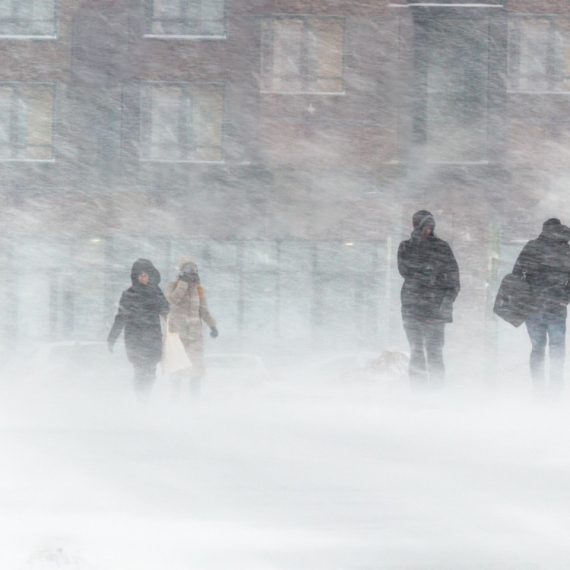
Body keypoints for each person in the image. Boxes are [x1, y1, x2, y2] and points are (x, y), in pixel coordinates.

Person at [397, 210, 460, 388]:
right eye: (425, 226)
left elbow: (454, 280)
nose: (429, 229)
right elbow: (405, 271)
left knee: (435, 353)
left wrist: (446, 302)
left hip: (435, 310)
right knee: (417, 352)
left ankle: (437, 393)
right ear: (417, 226)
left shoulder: (442, 247)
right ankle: (419, 393)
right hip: (412, 308)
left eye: (431, 226)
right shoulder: (406, 247)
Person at [512, 218, 570, 395]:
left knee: (537, 348)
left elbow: (516, 274)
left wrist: (526, 294)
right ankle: (555, 390)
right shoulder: (566, 249)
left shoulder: (532, 247)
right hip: (556, 307)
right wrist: (564, 297)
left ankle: (538, 389)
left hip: (533, 307)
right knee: (557, 350)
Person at [107, 259, 170, 395]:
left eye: (146, 275)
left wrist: (158, 296)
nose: (144, 278)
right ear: (136, 277)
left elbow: (165, 310)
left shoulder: (155, 292)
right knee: (140, 371)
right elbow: (121, 318)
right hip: (135, 339)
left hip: (153, 338)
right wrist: (112, 338)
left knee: (151, 372)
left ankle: (145, 398)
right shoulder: (129, 294)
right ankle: (141, 399)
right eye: (141, 275)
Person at [165, 257, 218, 396]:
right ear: (182, 272)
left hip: (195, 336)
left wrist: (212, 325)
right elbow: (172, 299)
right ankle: (175, 398)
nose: (192, 274)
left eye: (193, 271)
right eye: (188, 271)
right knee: (177, 369)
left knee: (196, 370)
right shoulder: (173, 285)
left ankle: (195, 400)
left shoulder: (198, 290)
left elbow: (203, 310)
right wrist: (183, 284)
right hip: (177, 334)